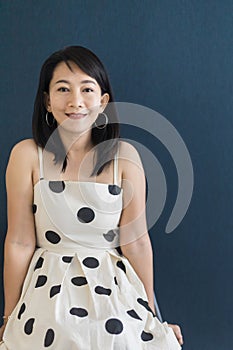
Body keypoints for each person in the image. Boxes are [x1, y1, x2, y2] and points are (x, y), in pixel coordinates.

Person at [0, 46, 183, 349]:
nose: (76, 101)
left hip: (113, 290)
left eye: (87, 89)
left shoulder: (125, 157)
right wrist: (8, 318)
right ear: (47, 100)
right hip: (48, 293)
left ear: (103, 102)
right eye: (62, 89)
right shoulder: (27, 156)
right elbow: (19, 242)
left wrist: (152, 315)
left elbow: (136, 241)